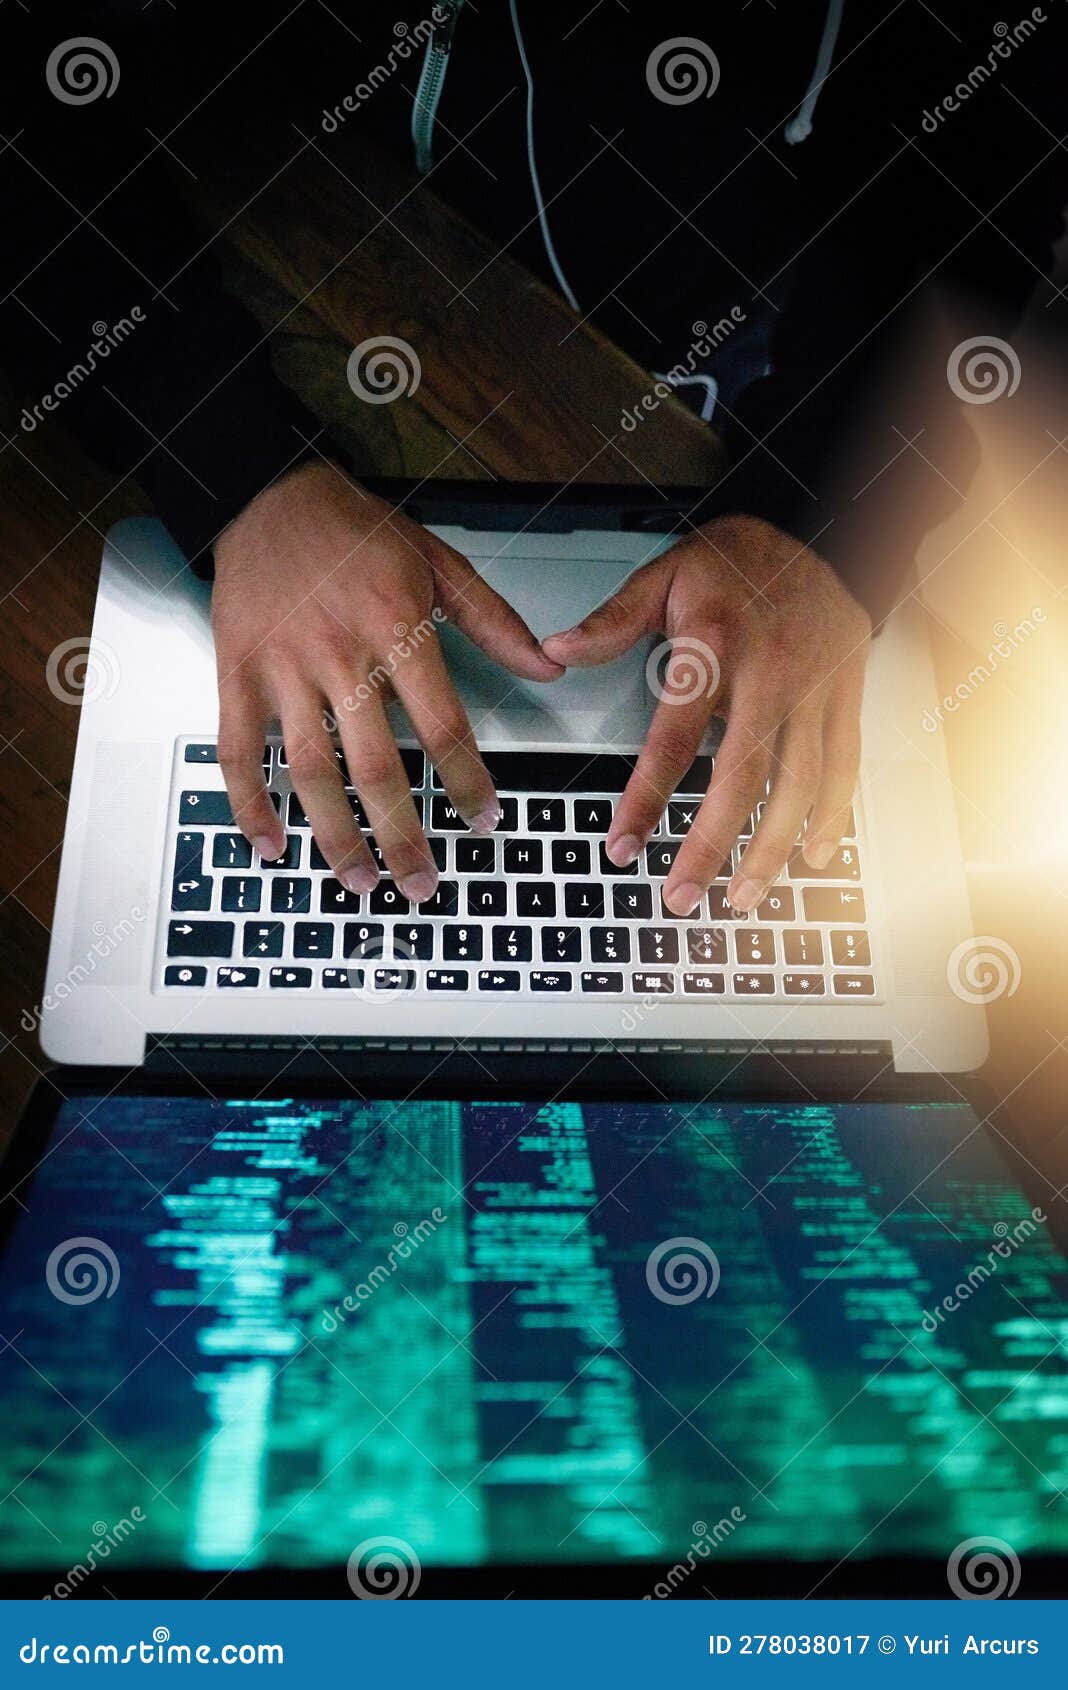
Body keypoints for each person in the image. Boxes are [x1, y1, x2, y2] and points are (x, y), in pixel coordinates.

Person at [2, 2, 1063, 917]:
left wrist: (822, 506)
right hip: (315, 218)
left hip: (729, 308)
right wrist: (227, 464)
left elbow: (981, 149)